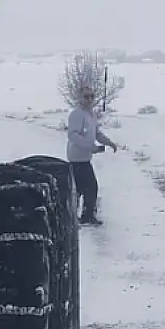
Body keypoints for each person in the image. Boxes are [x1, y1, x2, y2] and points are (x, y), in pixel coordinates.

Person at [65, 86, 117, 225]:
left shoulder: (91, 114)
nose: (89, 99)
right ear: (80, 97)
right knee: (86, 188)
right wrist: (91, 147)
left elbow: (97, 133)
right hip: (77, 158)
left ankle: (82, 216)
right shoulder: (76, 114)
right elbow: (73, 135)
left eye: (91, 96)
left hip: (85, 158)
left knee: (84, 188)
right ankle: (82, 217)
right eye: (86, 96)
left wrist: (109, 142)